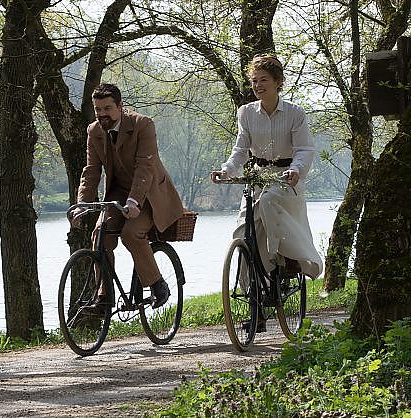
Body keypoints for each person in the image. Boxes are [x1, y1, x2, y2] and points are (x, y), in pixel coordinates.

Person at [211, 55, 324, 329]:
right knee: (243, 235)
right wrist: (227, 170)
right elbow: (240, 149)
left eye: (264, 80)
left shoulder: (295, 113)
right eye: (254, 81)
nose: (258, 85)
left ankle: (283, 259)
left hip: (286, 182)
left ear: (278, 83)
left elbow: (305, 149)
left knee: (271, 200)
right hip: (258, 177)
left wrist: (296, 171)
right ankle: (255, 303)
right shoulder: (246, 113)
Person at [74, 83, 184, 309]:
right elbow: (91, 170)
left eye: (107, 108)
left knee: (131, 233)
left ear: (120, 106)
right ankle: (104, 297)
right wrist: (82, 204)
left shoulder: (142, 125)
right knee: (99, 236)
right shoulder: (94, 131)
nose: (102, 114)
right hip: (117, 194)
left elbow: (145, 166)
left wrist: (134, 202)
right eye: (98, 109)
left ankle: (157, 284)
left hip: (148, 194)